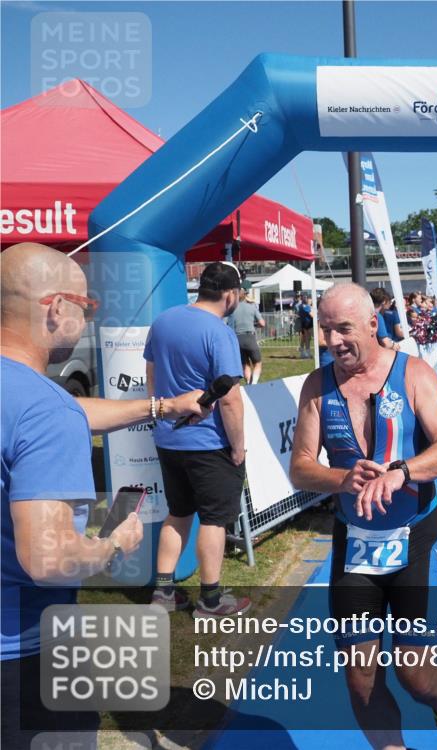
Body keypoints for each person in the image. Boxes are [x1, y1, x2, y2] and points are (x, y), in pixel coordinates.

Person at [1, 243, 209, 746]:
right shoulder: (46, 413)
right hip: (25, 658)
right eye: (86, 304)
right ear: (56, 308)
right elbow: (48, 560)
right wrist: (114, 543)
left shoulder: (36, 402)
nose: (88, 315)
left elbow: (61, 416)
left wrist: (159, 406)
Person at [289, 284, 437, 750]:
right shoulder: (318, 386)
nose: (333, 341)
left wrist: (402, 472)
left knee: (414, 674)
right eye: (326, 329)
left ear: (373, 325)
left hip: (411, 538)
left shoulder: (412, 373)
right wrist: (341, 479)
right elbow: (300, 467)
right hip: (355, 546)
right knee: (360, 679)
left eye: (344, 329)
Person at [146, 262, 250, 617]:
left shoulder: (164, 321)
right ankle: (210, 599)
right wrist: (238, 447)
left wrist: (162, 413)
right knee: (213, 520)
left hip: (168, 438)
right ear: (230, 295)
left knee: (177, 514)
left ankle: (163, 593)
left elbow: (152, 373)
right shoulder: (219, 332)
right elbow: (231, 398)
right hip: (209, 443)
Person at [228, 287, 266, 384]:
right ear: (245, 295)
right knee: (257, 363)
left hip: (237, 339)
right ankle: (253, 384)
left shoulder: (231, 310)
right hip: (249, 338)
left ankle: (248, 384)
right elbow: (262, 323)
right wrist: (254, 325)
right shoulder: (252, 308)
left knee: (245, 365)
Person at [298, 293, 314, 359]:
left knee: (306, 339)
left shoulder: (301, 306)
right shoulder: (305, 307)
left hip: (305, 324)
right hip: (308, 324)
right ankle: (306, 353)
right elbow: (312, 315)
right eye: (307, 298)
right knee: (308, 339)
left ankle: (306, 353)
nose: (309, 299)